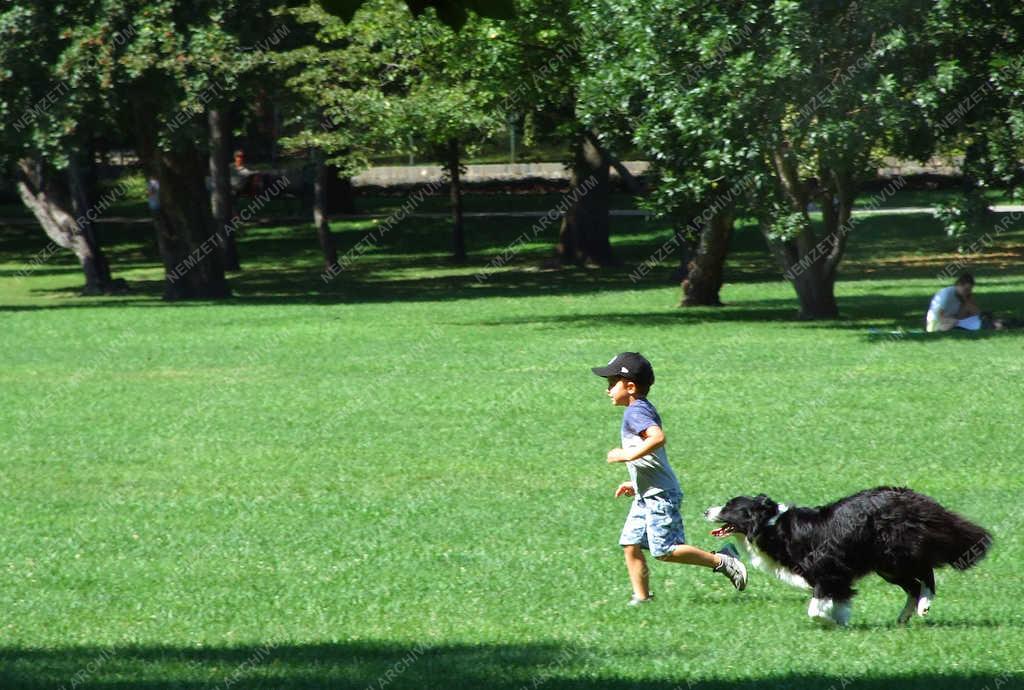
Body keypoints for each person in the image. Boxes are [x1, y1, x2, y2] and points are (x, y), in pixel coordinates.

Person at [591, 352, 747, 606]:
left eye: (611, 384)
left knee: (664, 550)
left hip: (660, 495)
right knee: (630, 544)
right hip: (647, 492)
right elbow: (652, 456)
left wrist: (626, 455)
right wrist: (636, 482)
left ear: (630, 386)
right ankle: (642, 599)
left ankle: (723, 561)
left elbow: (657, 438)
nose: (607, 390)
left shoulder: (636, 412)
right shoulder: (638, 409)